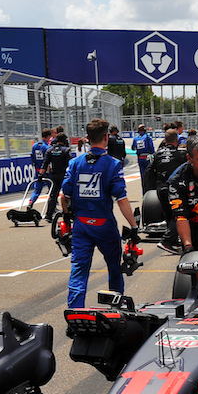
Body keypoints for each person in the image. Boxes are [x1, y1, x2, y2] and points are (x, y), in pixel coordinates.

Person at [59, 119, 138, 309]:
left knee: (79, 271)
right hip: (104, 226)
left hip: (82, 225)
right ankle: (117, 311)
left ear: (87, 138)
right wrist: (134, 226)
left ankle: (75, 314)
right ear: (106, 138)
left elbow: (63, 196)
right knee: (114, 269)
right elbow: (122, 199)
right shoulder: (113, 164)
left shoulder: (75, 163)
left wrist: (68, 217)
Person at [148, 127, 188, 253]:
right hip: (173, 189)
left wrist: (149, 189)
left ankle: (174, 241)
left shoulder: (156, 155)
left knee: (169, 216)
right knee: (179, 215)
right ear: (177, 140)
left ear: (165, 141)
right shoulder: (181, 154)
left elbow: (149, 172)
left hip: (160, 189)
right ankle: (167, 241)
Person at [41, 131, 74, 221]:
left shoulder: (50, 150)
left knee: (53, 195)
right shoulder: (66, 150)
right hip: (64, 176)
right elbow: (70, 164)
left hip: (54, 175)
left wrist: (40, 174)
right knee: (68, 195)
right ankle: (70, 213)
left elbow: (45, 163)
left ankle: (49, 215)